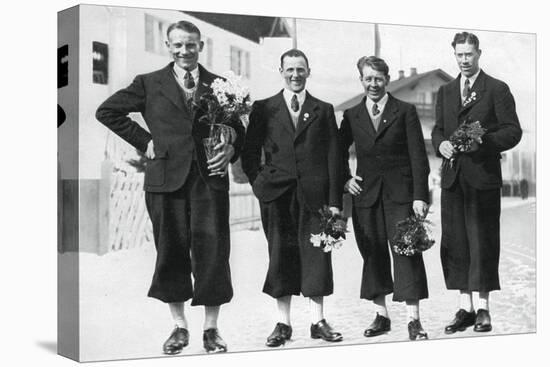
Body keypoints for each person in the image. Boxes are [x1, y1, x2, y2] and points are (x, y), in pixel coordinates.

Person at [96, 20, 245, 354]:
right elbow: (107, 111)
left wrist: (232, 147)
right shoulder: (149, 83)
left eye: (190, 45)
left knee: (213, 252)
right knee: (171, 252)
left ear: (200, 46)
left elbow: (238, 128)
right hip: (165, 181)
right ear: (168, 45)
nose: (184, 51)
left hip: (210, 179)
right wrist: (145, 141)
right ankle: (179, 327)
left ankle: (211, 329)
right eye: (177, 45)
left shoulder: (220, 84)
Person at [241, 49, 344, 347]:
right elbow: (250, 153)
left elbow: (334, 158)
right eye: (290, 69)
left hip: (316, 198)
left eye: (301, 69)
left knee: (317, 256)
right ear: (281, 71)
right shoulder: (264, 108)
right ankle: (283, 324)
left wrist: (334, 200)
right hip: (276, 195)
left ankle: (317, 321)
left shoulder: (323, 109)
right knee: (280, 255)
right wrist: (260, 184)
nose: (295, 75)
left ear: (308, 71)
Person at [431, 32, 522, 334]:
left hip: (482, 178)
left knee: (482, 241)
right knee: (455, 243)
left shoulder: (496, 89)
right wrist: (440, 143)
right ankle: (464, 308)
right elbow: (438, 130)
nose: (464, 60)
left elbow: (512, 131)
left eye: (469, 54)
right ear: (453, 54)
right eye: (459, 55)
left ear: (479, 53)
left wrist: (483, 141)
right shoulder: (444, 91)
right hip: (453, 179)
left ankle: (483, 309)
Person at [339, 56, 431, 341]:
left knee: (407, 253)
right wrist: (345, 178)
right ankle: (381, 315)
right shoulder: (352, 115)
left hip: (400, 196)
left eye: (378, 78)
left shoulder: (405, 111)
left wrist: (419, 196)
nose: (373, 84)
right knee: (373, 254)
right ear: (361, 81)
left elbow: (419, 156)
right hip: (366, 198)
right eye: (368, 78)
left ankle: (413, 320)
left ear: (387, 80)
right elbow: (336, 152)